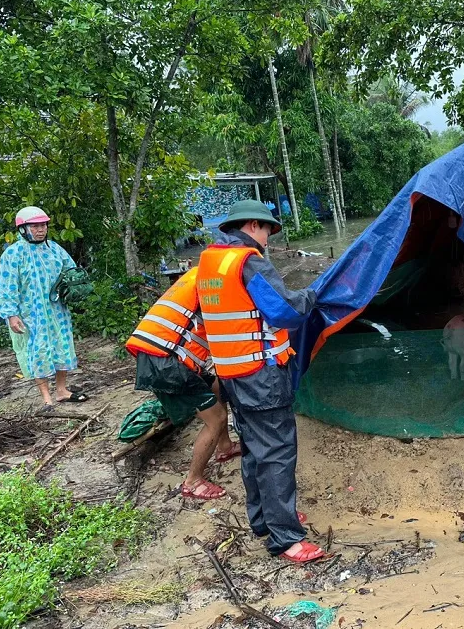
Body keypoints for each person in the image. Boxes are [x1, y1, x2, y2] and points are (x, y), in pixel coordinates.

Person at [197, 200, 323, 563]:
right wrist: (311, 295)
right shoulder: (248, 261)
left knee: (254, 448)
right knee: (278, 453)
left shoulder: (210, 261)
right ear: (253, 225)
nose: (268, 237)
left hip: (232, 374)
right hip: (261, 375)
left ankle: (265, 521)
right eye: (267, 229)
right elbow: (285, 310)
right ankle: (286, 539)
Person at [125, 267, 241, 501]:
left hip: (160, 355)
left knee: (217, 387)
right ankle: (193, 481)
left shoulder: (201, 274)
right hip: (166, 362)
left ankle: (225, 447)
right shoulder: (217, 283)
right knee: (215, 418)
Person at [0, 207, 88, 408]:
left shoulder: (54, 249)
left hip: (57, 310)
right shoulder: (13, 254)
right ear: (23, 229)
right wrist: (10, 314)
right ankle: (46, 398)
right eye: (35, 226)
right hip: (30, 314)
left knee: (62, 346)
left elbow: (71, 272)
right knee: (39, 351)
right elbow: (6, 285)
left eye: (43, 225)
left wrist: (76, 287)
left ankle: (62, 391)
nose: (41, 229)